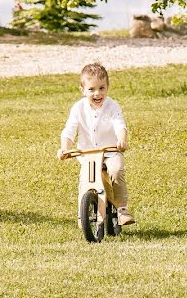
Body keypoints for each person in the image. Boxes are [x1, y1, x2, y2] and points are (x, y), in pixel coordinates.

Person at [57, 62, 135, 225]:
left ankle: (122, 209)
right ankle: (82, 215)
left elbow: (119, 124)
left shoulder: (112, 105)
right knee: (86, 180)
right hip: (89, 154)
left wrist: (122, 139)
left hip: (111, 151)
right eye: (91, 89)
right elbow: (69, 130)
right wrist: (65, 148)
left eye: (102, 88)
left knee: (116, 171)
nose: (97, 93)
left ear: (107, 87)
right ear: (83, 89)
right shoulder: (78, 108)